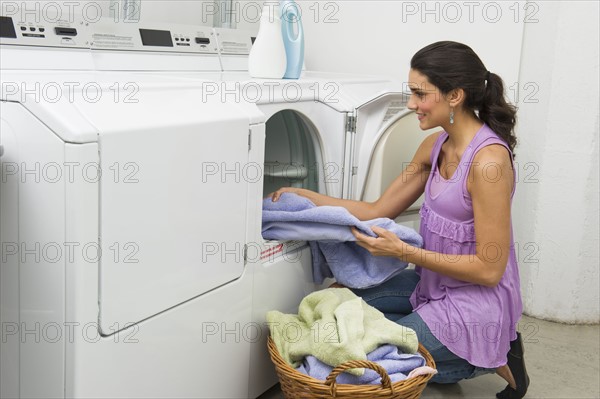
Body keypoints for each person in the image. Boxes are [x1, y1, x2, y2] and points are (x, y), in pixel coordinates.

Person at [270, 41, 529, 398]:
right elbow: (377, 210)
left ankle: (489, 353)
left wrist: (404, 253)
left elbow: (489, 269)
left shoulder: (488, 164)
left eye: (420, 94)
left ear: (454, 95)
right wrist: (308, 198)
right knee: (333, 308)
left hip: (475, 305)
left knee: (365, 357)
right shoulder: (434, 146)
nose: (411, 104)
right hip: (431, 286)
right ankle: (464, 355)